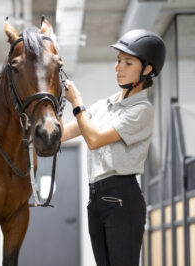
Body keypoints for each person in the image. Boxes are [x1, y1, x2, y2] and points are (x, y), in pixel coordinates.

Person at [61, 29, 166, 266]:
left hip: (121, 198)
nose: (118, 67)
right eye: (118, 61)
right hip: (96, 197)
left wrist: (77, 103)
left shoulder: (141, 110)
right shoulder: (103, 106)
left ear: (147, 69)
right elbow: (60, 135)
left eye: (128, 63)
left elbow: (94, 139)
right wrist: (52, 101)